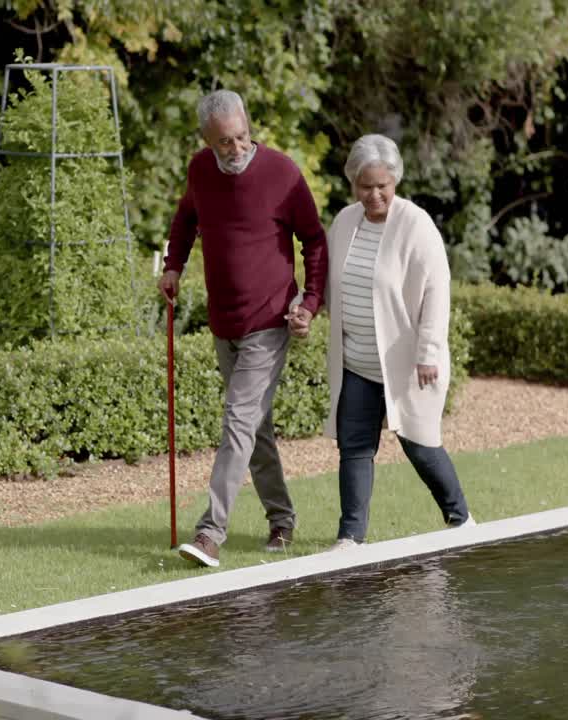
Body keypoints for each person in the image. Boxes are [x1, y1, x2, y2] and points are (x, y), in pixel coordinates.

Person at [159, 89, 328, 568]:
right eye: (223, 143)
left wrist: (310, 303)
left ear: (249, 129)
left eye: (241, 138)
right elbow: (185, 218)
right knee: (254, 426)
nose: (234, 150)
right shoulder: (200, 170)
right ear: (206, 141)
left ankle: (211, 533)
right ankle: (282, 518)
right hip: (224, 321)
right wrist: (174, 265)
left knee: (237, 421)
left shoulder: (282, 174)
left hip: (269, 321)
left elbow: (314, 240)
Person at [288, 133, 472, 551]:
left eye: (381, 186)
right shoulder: (345, 222)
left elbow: (437, 292)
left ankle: (461, 518)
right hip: (357, 363)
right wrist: (305, 307)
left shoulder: (416, 225)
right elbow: (329, 282)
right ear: (353, 182)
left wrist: (428, 354)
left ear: (396, 182)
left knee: (421, 446)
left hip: (406, 365)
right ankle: (350, 536)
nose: (373, 195)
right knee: (353, 448)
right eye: (364, 186)